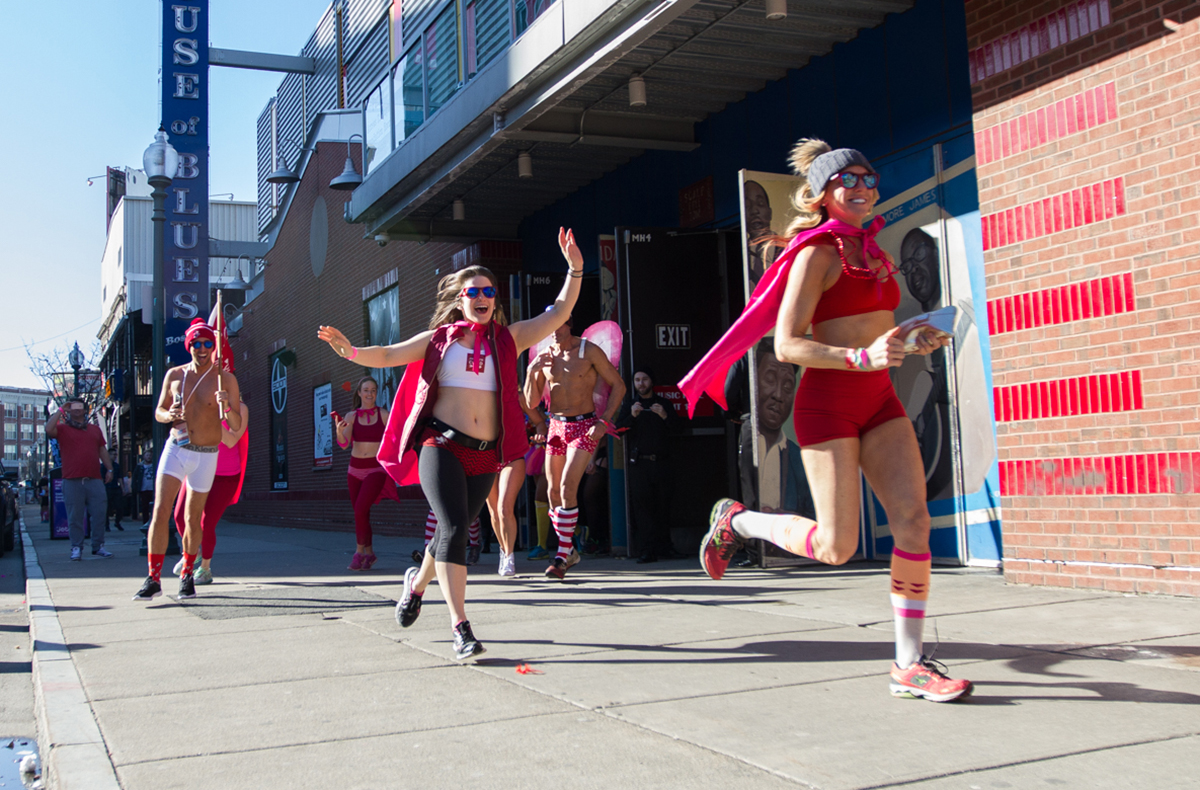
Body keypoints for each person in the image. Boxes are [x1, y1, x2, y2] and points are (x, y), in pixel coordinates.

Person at [680, 139, 972, 702]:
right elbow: (787, 345)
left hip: (880, 400)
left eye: (869, 178)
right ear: (823, 193)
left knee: (913, 523)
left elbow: (874, 325)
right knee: (837, 547)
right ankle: (738, 522)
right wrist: (858, 357)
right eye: (849, 181)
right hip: (828, 404)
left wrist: (911, 340)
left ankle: (908, 663)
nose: (863, 188)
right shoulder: (818, 254)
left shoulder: (876, 248)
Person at [319, 227, 583, 660]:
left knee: (447, 531)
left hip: (485, 455)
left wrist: (575, 268)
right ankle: (461, 627)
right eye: (473, 290)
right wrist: (348, 352)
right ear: (460, 300)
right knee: (457, 530)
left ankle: (417, 584)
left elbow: (556, 314)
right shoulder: (438, 341)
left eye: (488, 290)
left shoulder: (508, 339)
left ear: (494, 299)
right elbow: (386, 354)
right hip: (440, 446)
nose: (482, 296)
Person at [134, 318, 242, 601]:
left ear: (213, 346)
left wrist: (227, 405)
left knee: (193, 519)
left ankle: (186, 577)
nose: (202, 348)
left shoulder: (225, 379)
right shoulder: (174, 375)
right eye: (196, 343)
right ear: (189, 346)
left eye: (207, 343)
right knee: (160, 511)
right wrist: (168, 416)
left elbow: (236, 421)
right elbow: (158, 411)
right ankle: (153, 578)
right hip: (176, 448)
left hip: (206, 455)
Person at [525, 315, 626, 580]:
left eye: (559, 326)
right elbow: (531, 400)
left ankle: (561, 555)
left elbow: (619, 385)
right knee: (552, 491)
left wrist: (604, 422)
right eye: (549, 327)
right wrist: (532, 370)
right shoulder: (545, 356)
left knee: (569, 487)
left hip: (585, 425)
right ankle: (569, 549)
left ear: (569, 325)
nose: (554, 332)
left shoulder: (587, 350)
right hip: (557, 428)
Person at [169, 399, 249, 584]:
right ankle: (193, 550)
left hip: (225, 475)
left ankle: (205, 568)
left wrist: (208, 418)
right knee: (180, 515)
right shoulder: (197, 402)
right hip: (196, 468)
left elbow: (230, 441)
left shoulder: (239, 409)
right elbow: (182, 436)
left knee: (207, 522)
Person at [616, 368, 678, 563]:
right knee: (643, 509)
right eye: (637, 380)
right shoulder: (630, 405)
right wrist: (632, 417)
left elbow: (679, 429)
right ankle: (646, 550)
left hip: (661, 462)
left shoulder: (664, 404)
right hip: (639, 464)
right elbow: (619, 431)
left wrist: (665, 417)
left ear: (652, 381)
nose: (641, 384)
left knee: (663, 507)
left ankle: (665, 548)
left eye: (644, 379)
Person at [335, 376, 394, 570]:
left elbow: (395, 439)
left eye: (373, 390)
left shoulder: (384, 414)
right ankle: (370, 554)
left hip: (375, 469)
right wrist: (338, 433)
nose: (370, 394)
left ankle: (359, 553)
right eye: (366, 390)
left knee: (360, 509)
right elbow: (344, 445)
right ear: (359, 393)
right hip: (354, 470)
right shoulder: (351, 416)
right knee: (362, 512)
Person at [45, 398, 114, 560]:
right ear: (69, 410)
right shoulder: (62, 429)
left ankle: (98, 546)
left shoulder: (94, 430)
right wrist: (61, 409)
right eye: (72, 407)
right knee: (74, 517)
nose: (76, 409)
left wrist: (109, 468)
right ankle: (76, 547)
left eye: (79, 407)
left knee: (99, 514)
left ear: (85, 409)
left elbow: (102, 450)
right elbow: (49, 429)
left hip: (94, 478)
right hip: (71, 480)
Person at [133, 450, 156, 524]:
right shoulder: (140, 466)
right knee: (144, 506)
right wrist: (135, 487)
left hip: (153, 489)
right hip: (144, 489)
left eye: (150, 455)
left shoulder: (155, 465)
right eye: (147, 455)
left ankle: (153, 521)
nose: (149, 457)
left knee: (154, 506)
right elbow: (135, 477)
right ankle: (145, 522)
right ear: (144, 457)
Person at [104, 458, 125, 531]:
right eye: (112, 454)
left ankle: (117, 522)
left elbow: (119, 477)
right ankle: (106, 525)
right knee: (107, 507)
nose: (114, 456)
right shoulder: (103, 466)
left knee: (119, 506)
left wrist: (122, 488)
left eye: (115, 454)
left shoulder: (116, 466)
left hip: (116, 488)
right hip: (107, 488)